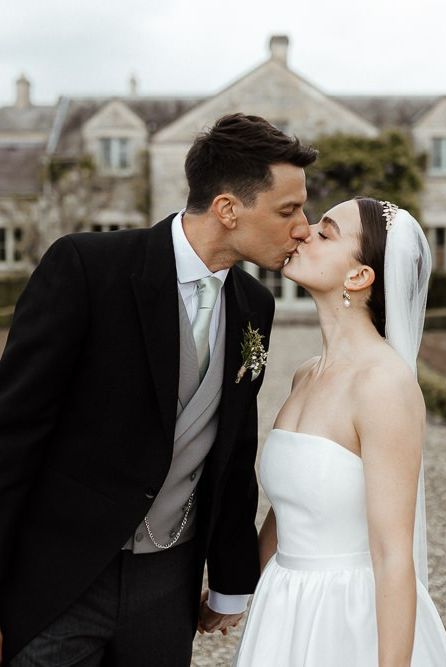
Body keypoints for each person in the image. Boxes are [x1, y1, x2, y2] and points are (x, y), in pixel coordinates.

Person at [0, 113, 317, 666]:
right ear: (227, 208)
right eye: (288, 210)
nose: (304, 228)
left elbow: (233, 449)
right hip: (60, 578)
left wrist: (231, 580)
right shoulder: (87, 267)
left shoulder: (253, 305)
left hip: (168, 583)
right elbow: (12, 436)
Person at [234, 198, 446, 666]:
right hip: (283, 607)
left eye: (327, 232)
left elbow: (395, 555)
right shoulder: (305, 374)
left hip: (348, 616)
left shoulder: (383, 386)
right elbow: (290, 508)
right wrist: (236, 594)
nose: (303, 231)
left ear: (359, 277)